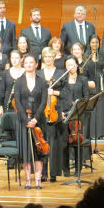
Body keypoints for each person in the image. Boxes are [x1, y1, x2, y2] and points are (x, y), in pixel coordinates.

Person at [14, 54, 48, 190]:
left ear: (36, 65)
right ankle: (28, 179)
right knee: (26, 151)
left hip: (38, 120)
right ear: (23, 65)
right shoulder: (18, 82)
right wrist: (26, 119)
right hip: (23, 121)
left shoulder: (42, 82)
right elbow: (17, 101)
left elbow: (44, 102)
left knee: (39, 150)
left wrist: (35, 119)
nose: (28, 64)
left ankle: (38, 179)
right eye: (26, 62)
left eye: (31, 62)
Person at [60, 55, 90, 181]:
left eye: (72, 64)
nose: (70, 67)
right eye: (68, 65)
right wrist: (61, 111)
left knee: (77, 141)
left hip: (78, 114)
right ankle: (65, 169)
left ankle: (78, 168)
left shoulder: (83, 79)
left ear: (77, 65)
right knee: (64, 143)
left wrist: (78, 105)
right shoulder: (62, 79)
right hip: (64, 114)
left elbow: (86, 97)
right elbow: (60, 98)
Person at [39, 47, 65, 182]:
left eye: (50, 56)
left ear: (54, 58)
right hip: (42, 112)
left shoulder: (60, 73)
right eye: (46, 57)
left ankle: (53, 173)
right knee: (43, 142)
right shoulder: (38, 73)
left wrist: (54, 93)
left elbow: (66, 93)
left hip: (55, 111)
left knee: (54, 144)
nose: (48, 59)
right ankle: (43, 172)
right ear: (43, 58)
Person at [83, 36, 104, 139]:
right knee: (93, 108)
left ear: (99, 44)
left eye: (96, 42)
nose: (95, 44)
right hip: (90, 84)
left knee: (101, 109)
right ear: (89, 44)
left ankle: (102, 133)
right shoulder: (85, 55)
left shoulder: (103, 55)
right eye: (92, 42)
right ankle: (92, 133)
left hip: (101, 84)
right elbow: (82, 73)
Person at [0, 49, 25, 116]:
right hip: (8, 104)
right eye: (12, 58)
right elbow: (1, 91)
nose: (14, 60)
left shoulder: (26, 72)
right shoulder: (5, 73)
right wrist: (0, 107)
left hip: (23, 104)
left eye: (16, 58)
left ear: (21, 59)